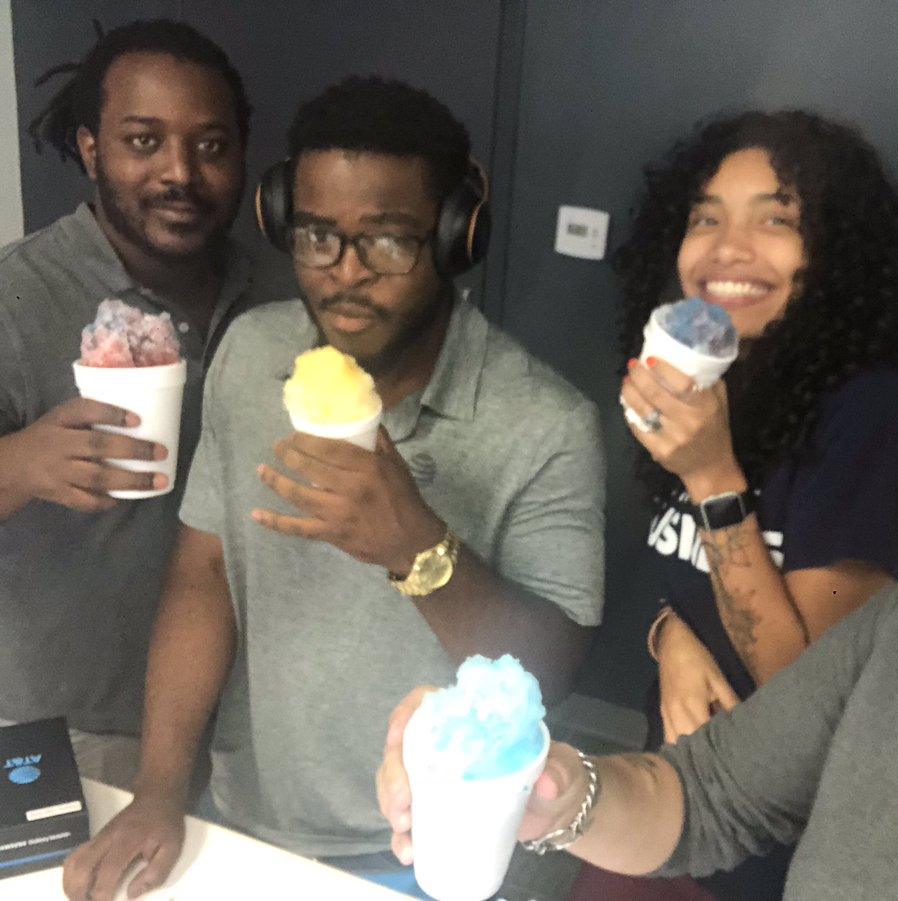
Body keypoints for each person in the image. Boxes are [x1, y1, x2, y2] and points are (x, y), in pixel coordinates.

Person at [381, 184, 898, 899]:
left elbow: (782, 666)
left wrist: (713, 479)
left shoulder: (865, 418)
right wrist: (550, 785)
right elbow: (713, 798)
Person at [62, 75, 604, 901]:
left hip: (427, 851)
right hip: (240, 818)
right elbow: (203, 575)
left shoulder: (546, 422)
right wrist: (161, 791)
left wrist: (419, 550)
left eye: (386, 241)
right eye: (316, 236)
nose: (344, 276)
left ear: (455, 235)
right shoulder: (251, 354)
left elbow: (553, 669)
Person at [581, 109, 898, 898]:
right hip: (674, 801)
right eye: (704, 218)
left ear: (838, 251)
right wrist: (668, 633)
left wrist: (713, 477)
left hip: (779, 851)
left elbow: (809, 688)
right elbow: (690, 572)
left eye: (776, 219)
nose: (725, 249)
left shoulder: (870, 413)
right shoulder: (724, 385)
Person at [0, 19, 252, 789]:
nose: (181, 172)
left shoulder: (280, 292)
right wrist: (18, 461)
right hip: (77, 723)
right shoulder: (17, 294)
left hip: (249, 720)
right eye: (144, 141)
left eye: (211, 146)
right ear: (88, 148)